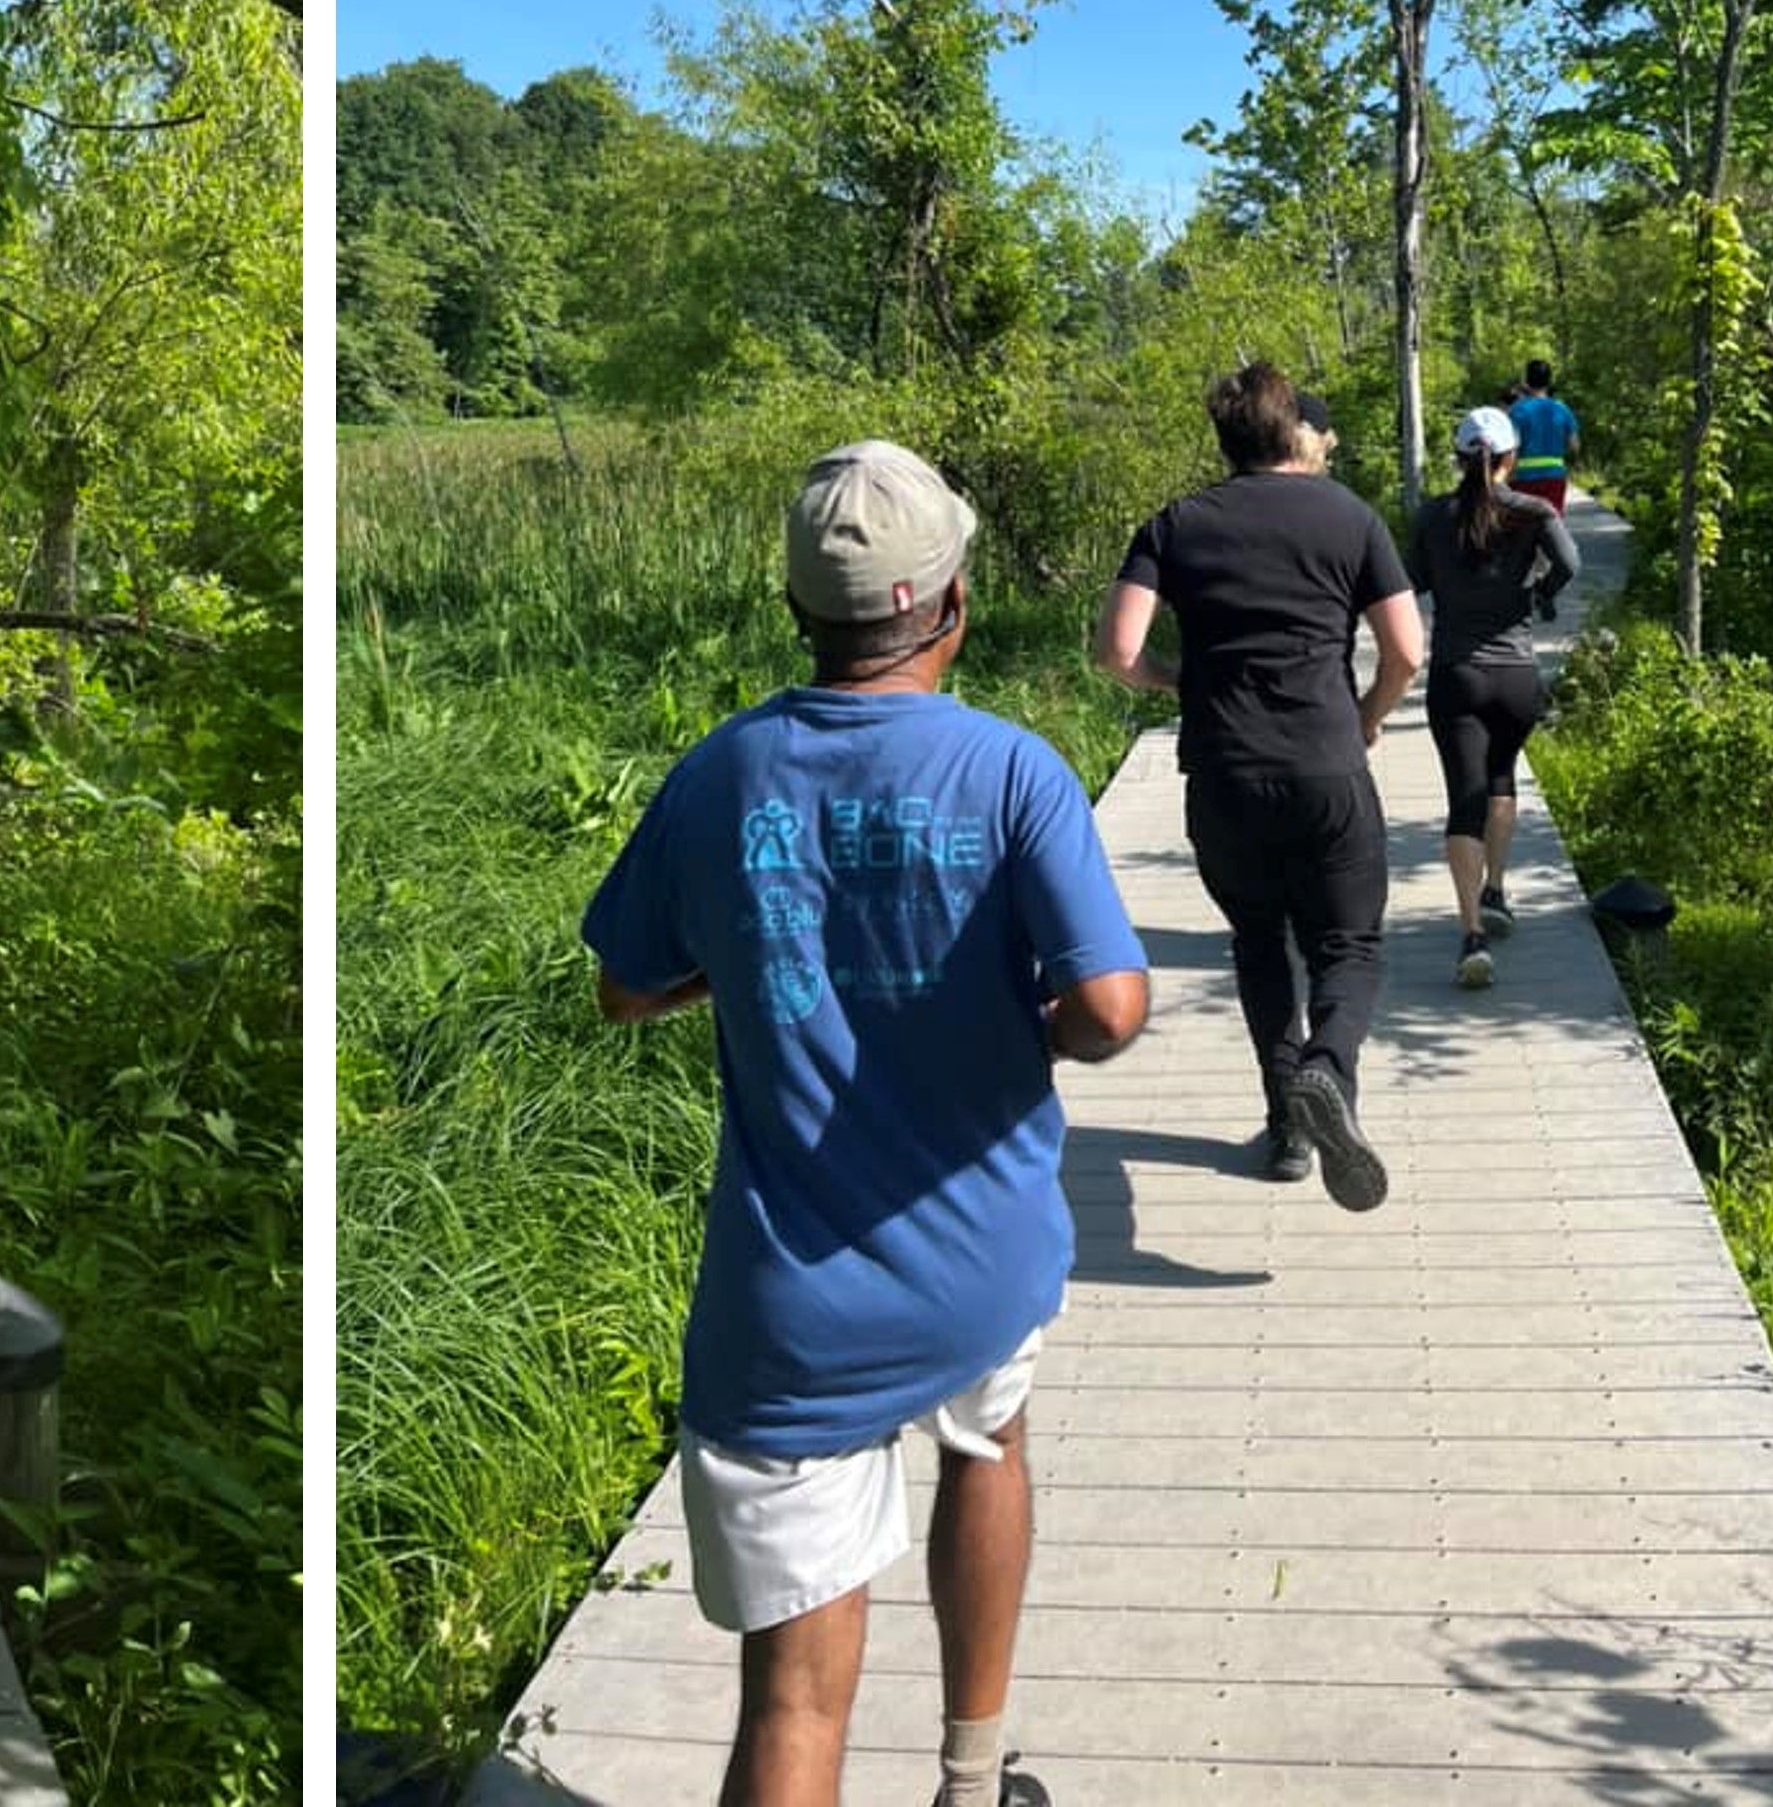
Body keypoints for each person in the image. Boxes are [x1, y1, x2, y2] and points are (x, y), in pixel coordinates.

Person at [587, 441, 1148, 1807]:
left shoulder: (719, 774)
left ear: (803, 611)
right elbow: (1114, 1005)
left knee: (791, 1699)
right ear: (949, 602)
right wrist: (1041, 1029)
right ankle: (969, 1776)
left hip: (792, 1306)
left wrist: (764, 942)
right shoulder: (1015, 773)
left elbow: (624, 983)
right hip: (983, 1256)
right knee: (991, 1439)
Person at [1091, 361, 1423, 1212]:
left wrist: (1181, 682)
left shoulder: (1173, 524)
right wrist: (1366, 715)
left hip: (1222, 773)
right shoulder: (1349, 517)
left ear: (1227, 437)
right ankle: (1326, 1069)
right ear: (1292, 432)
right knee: (1346, 946)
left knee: (1257, 940)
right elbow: (1407, 651)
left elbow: (1117, 652)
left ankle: (1286, 1131)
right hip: (1325, 765)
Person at [1409, 407, 1580, 988]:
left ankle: (1472, 934)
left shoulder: (1433, 516)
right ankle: (1498, 890)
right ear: (1511, 458)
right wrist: (1538, 592)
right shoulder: (1534, 512)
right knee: (1502, 778)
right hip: (1517, 676)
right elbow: (1571, 563)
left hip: (1457, 672)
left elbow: (1416, 580)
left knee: (1464, 800)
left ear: (1459, 458)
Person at [1507, 359, 1579, 519]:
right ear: (1549, 381)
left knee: (1523, 530)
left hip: (1523, 479)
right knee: (1552, 528)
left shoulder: (1516, 411)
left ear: (1526, 380)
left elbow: (1512, 448)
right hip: (1555, 478)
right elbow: (1574, 446)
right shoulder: (1562, 409)